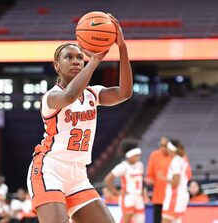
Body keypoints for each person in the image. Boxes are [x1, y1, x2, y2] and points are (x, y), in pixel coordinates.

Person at [26, 13, 133, 223]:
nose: (76, 61)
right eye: (69, 58)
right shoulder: (51, 97)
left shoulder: (93, 94)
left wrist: (122, 47)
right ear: (56, 65)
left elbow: (124, 93)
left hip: (77, 175)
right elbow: (70, 96)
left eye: (79, 58)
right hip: (49, 170)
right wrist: (94, 60)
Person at [104, 140, 145, 223]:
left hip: (139, 197)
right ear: (130, 155)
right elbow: (107, 179)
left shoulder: (140, 165)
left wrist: (143, 191)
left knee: (140, 220)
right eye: (136, 155)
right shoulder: (123, 166)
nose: (138, 157)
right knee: (126, 220)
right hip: (128, 197)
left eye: (138, 155)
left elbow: (141, 181)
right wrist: (116, 192)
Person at [157, 140, 191, 223]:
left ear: (171, 149)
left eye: (167, 148)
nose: (166, 150)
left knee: (165, 220)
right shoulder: (182, 160)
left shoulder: (176, 161)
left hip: (175, 196)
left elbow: (176, 182)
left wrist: (163, 177)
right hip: (181, 195)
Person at [144, 136, 172, 223]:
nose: (163, 148)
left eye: (165, 145)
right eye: (161, 145)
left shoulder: (177, 157)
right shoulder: (154, 155)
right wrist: (149, 180)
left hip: (172, 198)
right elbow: (150, 175)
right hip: (158, 197)